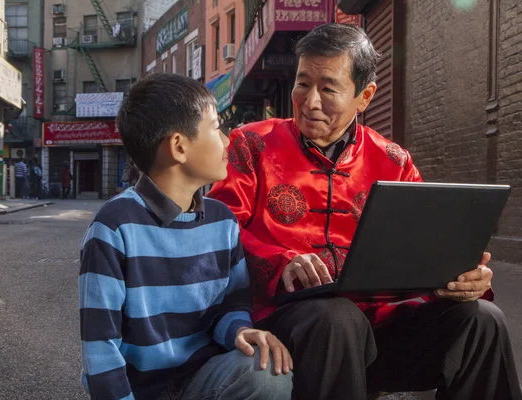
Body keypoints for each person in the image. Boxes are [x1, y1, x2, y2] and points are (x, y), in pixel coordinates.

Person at [208, 23, 522, 400]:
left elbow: (422, 252)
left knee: (482, 321)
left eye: (328, 89)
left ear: (365, 96)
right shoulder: (253, 145)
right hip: (294, 324)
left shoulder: (394, 162)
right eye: (303, 83)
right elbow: (217, 235)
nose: (310, 101)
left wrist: (464, 279)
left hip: (384, 331)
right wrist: (283, 262)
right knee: (336, 316)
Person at [78, 73, 293, 400]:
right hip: (139, 390)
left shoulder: (222, 222)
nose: (227, 139)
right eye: (215, 126)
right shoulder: (114, 228)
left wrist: (241, 330)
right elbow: (101, 348)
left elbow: (229, 306)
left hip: (201, 380)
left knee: (267, 370)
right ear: (179, 146)